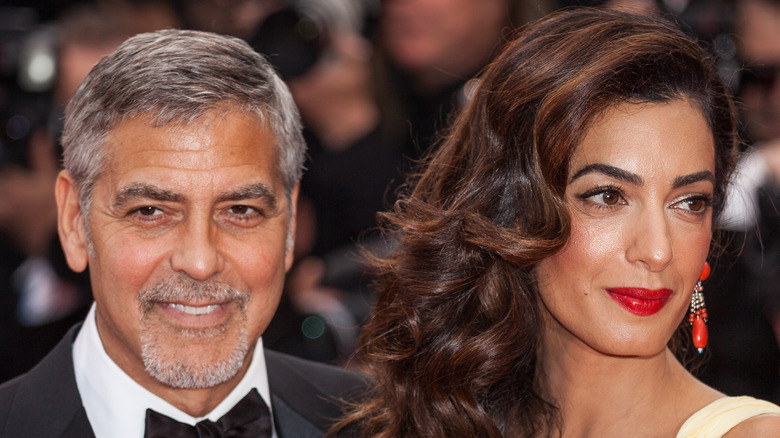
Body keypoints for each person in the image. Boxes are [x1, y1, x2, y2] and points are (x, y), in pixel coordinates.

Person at [337, 8, 780, 437]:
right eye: (608, 196)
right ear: (512, 209)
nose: (658, 250)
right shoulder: (436, 419)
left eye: (689, 203)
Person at [0, 29, 367, 437]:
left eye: (241, 211)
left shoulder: (388, 420)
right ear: (74, 222)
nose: (200, 261)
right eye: (151, 211)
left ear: (290, 223)